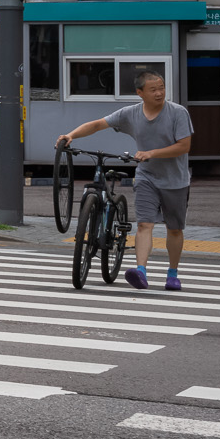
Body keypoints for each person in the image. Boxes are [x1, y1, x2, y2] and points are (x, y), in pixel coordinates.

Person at [58, 67, 193, 291]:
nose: (159, 93)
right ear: (140, 93)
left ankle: (172, 274)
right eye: (153, 90)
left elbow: (184, 146)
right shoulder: (130, 114)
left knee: (175, 229)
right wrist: (70, 135)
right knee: (144, 224)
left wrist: (151, 153)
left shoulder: (178, 113)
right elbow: (97, 124)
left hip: (175, 180)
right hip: (146, 176)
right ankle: (140, 271)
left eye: (161, 88)